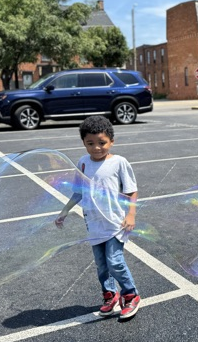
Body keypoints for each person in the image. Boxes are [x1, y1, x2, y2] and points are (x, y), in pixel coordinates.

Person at [55, 115, 141, 321]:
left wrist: (131, 215)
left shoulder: (119, 162)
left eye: (102, 143)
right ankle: (110, 295)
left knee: (115, 262)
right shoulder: (83, 163)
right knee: (101, 265)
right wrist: (65, 210)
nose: (96, 148)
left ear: (112, 140)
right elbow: (78, 191)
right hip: (94, 224)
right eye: (90, 143)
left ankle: (131, 295)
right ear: (83, 142)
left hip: (115, 223)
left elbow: (131, 191)